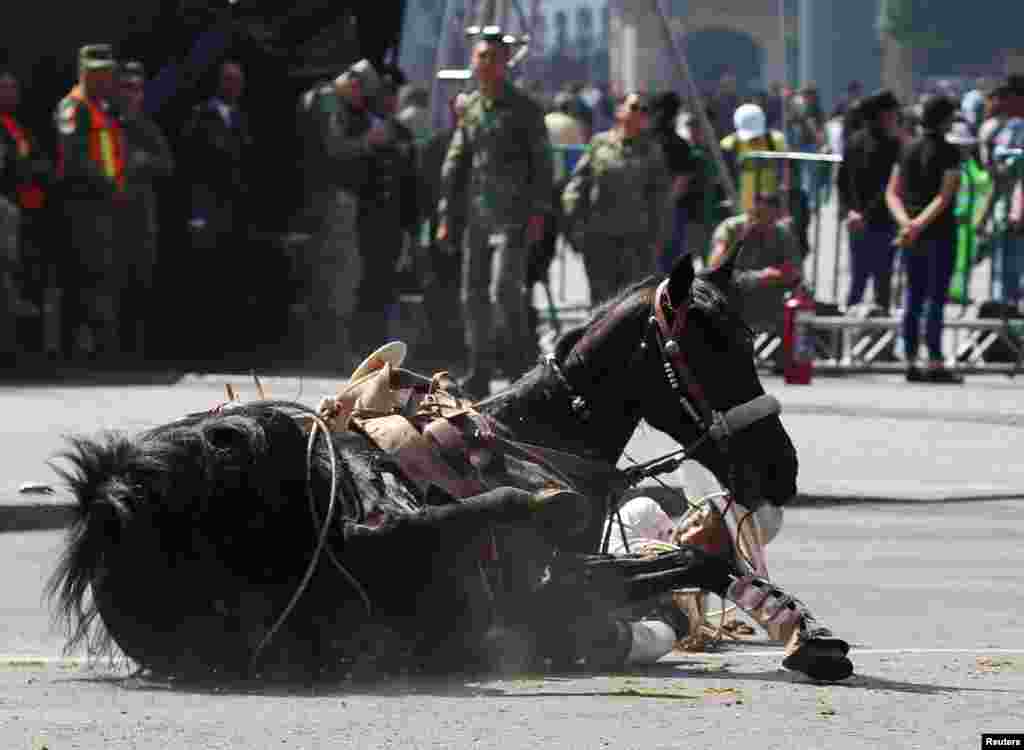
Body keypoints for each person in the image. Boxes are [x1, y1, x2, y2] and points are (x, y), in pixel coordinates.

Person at [438, 26, 554, 397]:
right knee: (471, 294)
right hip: (477, 216)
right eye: (480, 57)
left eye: (493, 58)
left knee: (505, 291)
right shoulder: (471, 107)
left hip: (514, 216)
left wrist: (538, 215)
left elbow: (543, 166)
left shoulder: (525, 109)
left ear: (505, 63)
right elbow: (457, 161)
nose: (485, 64)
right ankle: (479, 370)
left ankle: (519, 366)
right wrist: (445, 215)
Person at [296, 58, 380, 371]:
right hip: (333, 198)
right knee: (341, 275)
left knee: (333, 273)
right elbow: (334, 147)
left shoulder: (320, 98)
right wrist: (367, 142)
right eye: (361, 93)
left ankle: (325, 350)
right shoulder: (329, 101)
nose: (360, 102)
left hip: (327, 197)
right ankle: (331, 351)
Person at [561, 92, 670, 307]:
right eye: (636, 107)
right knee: (601, 303)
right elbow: (577, 185)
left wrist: (659, 237)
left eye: (646, 110)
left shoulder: (652, 150)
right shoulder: (599, 144)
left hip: (636, 241)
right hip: (600, 239)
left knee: (633, 303)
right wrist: (574, 223)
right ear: (620, 111)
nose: (641, 114)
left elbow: (660, 197)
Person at [54, 44, 126, 361]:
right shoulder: (74, 107)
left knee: (102, 274)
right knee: (82, 275)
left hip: (104, 204)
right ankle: (78, 349)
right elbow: (74, 159)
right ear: (83, 73)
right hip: (81, 204)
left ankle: (99, 346)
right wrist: (104, 182)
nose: (104, 78)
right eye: (97, 73)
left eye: (107, 72)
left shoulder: (105, 108)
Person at [885, 95, 964, 384]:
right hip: (938, 231)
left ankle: (909, 359)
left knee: (913, 296)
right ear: (945, 120)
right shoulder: (950, 152)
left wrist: (906, 223)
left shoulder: (906, 149)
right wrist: (918, 224)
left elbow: (892, 192)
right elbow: (946, 195)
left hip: (910, 232)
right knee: (935, 298)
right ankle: (933, 359)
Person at [352, 64, 419, 358]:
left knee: (385, 285)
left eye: (394, 94)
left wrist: (411, 229)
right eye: (385, 94)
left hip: (392, 224)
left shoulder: (402, 133)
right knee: (364, 284)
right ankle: (358, 346)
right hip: (364, 221)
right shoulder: (360, 129)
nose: (390, 100)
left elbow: (410, 186)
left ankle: (378, 347)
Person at [181, 60, 252, 337]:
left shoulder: (242, 119)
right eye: (229, 80)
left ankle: (227, 338)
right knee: (205, 276)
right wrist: (195, 212)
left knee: (230, 277)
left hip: (235, 211)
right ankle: (202, 338)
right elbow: (192, 169)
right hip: (208, 208)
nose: (234, 87)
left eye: (238, 81)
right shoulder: (201, 116)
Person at [115, 61, 174, 360]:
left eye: (136, 89)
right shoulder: (107, 121)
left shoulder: (146, 126)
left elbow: (167, 164)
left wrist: (141, 160)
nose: (130, 94)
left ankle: (136, 351)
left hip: (140, 215)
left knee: (140, 281)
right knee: (110, 281)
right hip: (110, 215)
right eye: (125, 87)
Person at [1, 68, 50, 365]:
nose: (10, 94)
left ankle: (22, 350)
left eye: (12, 89)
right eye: (4, 89)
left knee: (25, 279)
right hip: (7, 212)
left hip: (29, 213)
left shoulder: (19, 127)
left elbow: (32, 161)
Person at [839, 89, 903, 313]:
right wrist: (858, 214)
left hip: (860, 220)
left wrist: (850, 212)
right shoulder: (892, 144)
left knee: (859, 279)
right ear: (883, 114)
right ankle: (880, 338)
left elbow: (841, 183)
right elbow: (888, 186)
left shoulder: (854, 140)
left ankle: (847, 332)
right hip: (878, 221)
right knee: (880, 281)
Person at [707, 191, 803, 337]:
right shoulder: (731, 229)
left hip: (769, 299)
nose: (762, 222)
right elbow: (715, 269)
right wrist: (757, 278)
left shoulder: (782, 234)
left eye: (769, 217)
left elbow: (795, 273)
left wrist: (778, 276)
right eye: (759, 214)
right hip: (734, 297)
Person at [419, 93, 470, 367]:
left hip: (472, 231)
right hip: (442, 231)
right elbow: (425, 191)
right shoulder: (436, 145)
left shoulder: (481, 147)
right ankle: (441, 348)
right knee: (440, 292)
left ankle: (465, 350)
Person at [649, 91, 695, 274]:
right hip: (668, 210)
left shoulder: (647, 142)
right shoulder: (678, 144)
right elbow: (683, 179)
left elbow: (682, 179)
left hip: (658, 209)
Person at [720, 103, 790, 216]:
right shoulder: (729, 144)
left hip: (772, 205)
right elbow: (725, 176)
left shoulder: (776, 141)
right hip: (742, 208)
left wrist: (784, 198)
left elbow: (785, 170)